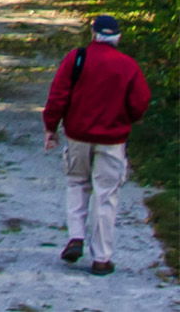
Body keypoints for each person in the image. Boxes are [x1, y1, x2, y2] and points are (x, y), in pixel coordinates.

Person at [42, 14, 152, 276]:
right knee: (106, 194)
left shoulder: (77, 58)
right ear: (118, 37)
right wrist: (126, 119)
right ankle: (102, 258)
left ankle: (76, 237)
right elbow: (140, 101)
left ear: (93, 34)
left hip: (78, 135)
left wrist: (51, 127)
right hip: (112, 140)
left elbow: (58, 94)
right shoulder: (128, 66)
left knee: (77, 183)